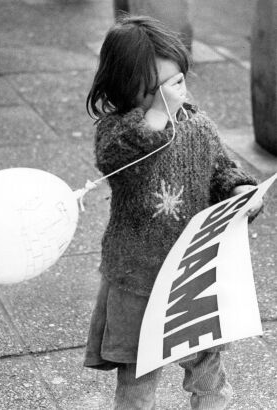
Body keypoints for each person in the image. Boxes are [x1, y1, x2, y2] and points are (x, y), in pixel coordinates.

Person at [84, 16, 262, 410]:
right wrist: (157, 118)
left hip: (191, 274)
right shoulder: (117, 132)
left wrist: (240, 190)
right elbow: (124, 162)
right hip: (138, 276)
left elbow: (220, 168)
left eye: (178, 81)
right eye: (157, 89)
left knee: (206, 367)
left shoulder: (197, 125)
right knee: (137, 374)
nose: (174, 94)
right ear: (127, 89)